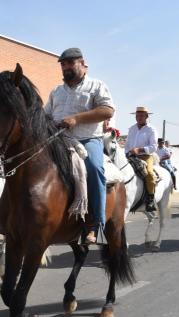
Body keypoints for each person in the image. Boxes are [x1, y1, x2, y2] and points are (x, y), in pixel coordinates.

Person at [44, 47, 114, 245]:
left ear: (83, 64)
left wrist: (76, 118)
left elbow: (107, 111)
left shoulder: (97, 85)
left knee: (94, 168)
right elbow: (45, 115)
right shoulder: (56, 91)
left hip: (87, 140)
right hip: (57, 140)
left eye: (70, 63)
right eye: (63, 64)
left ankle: (95, 224)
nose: (65, 67)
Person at [124, 106, 158, 211]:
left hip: (146, 156)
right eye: (137, 115)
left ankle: (150, 199)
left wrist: (140, 150)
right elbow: (127, 144)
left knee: (149, 173)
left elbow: (154, 147)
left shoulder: (151, 129)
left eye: (141, 116)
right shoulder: (132, 129)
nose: (138, 117)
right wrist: (126, 153)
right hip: (131, 155)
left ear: (146, 116)